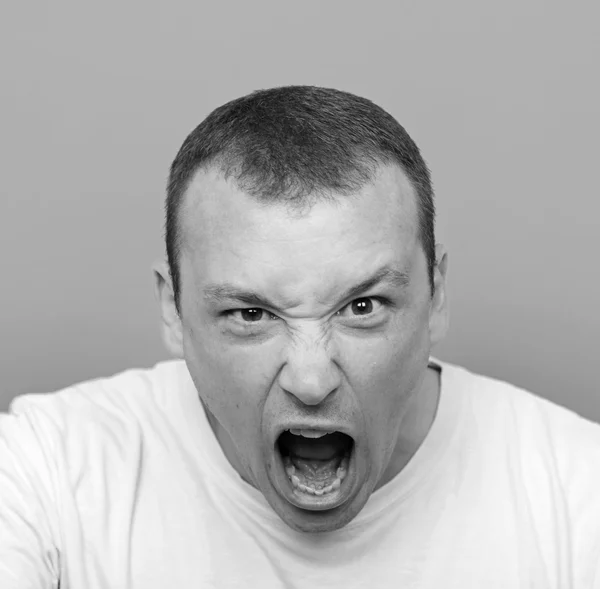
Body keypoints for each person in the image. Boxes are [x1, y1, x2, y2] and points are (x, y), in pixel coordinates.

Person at [1, 85, 599, 588]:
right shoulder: (43, 471)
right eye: (251, 315)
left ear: (436, 295)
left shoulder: (576, 491)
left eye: (362, 306)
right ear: (173, 309)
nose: (311, 381)